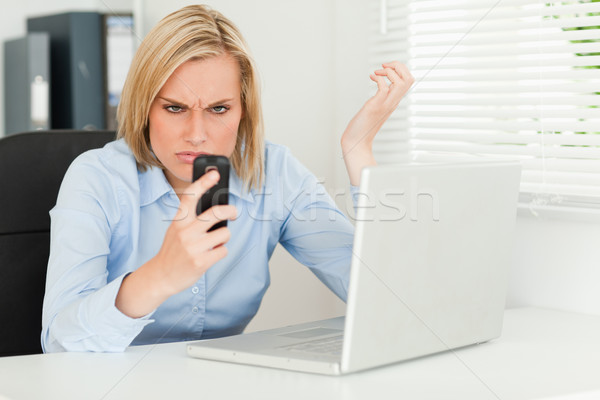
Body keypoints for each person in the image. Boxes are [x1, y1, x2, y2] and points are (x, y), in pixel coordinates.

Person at [41, 4, 413, 352]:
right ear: (144, 107)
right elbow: (58, 342)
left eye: (219, 108)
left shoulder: (274, 171)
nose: (197, 134)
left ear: (243, 111)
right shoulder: (96, 178)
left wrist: (359, 149)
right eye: (175, 108)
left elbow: (390, 298)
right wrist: (159, 276)